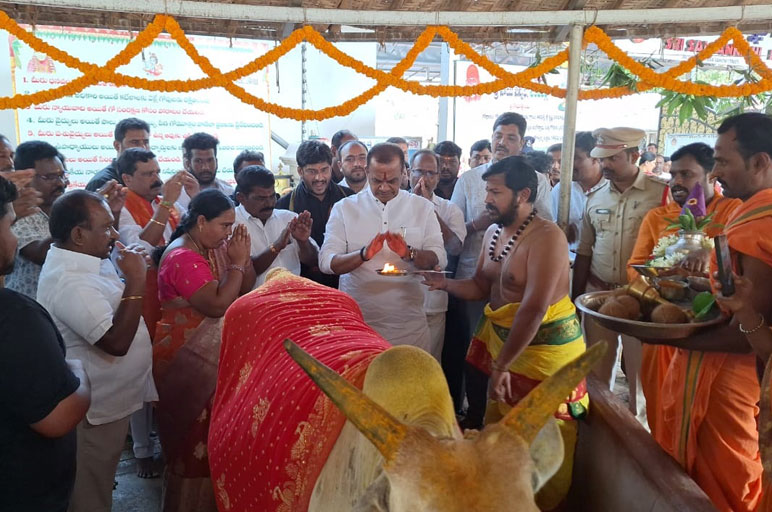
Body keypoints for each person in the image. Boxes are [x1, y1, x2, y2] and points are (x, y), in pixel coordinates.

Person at [422, 156, 587, 510]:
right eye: (487, 190)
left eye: (495, 192)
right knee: (503, 435)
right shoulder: (494, 233)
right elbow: (482, 286)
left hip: (543, 354)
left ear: (523, 194)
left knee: (544, 439)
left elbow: (533, 308)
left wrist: (501, 366)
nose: (487, 199)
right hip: (505, 345)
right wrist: (444, 284)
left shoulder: (548, 237)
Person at [636, 113, 772, 512]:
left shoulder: (757, 223)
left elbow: (744, 331)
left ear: (760, 162)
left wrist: (666, 336)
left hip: (728, 376)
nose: (718, 173)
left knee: (725, 481)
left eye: (724, 162)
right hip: (737, 370)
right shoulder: (749, 215)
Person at [37, 190, 156, 512]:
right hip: (94, 412)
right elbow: (116, 342)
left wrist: (127, 271)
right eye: (106, 227)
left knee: (99, 482)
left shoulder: (86, 259)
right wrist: (136, 280)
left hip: (109, 402)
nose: (114, 234)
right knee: (90, 494)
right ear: (78, 235)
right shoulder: (69, 280)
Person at [450, 112, 553, 428]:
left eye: (511, 137)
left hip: (521, 284)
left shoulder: (540, 187)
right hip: (476, 275)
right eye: (498, 135)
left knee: (516, 353)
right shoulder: (469, 179)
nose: (502, 142)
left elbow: (546, 224)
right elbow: (454, 236)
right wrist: (477, 224)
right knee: (473, 351)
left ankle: (510, 416)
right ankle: (474, 411)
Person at [153, 189, 254, 512]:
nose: (228, 234)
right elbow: (216, 305)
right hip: (187, 358)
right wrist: (237, 263)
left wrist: (239, 261)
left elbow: (244, 288)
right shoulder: (183, 257)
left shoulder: (201, 248)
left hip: (202, 356)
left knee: (208, 442)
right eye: (225, 226)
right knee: (191, 443)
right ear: (200, 221)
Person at [0, 176, 91, 512]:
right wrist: (78, 371)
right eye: (10, 226)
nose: (13, 237)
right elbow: (58, 417)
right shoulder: (13, 316)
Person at [571, 127, 667, 424]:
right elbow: (585, 250)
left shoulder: (661, 193)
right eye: (603, 159)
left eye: (613, 158)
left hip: (643, 299)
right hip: (600, 294)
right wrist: (576, 299)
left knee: (640, 378)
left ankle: (640, 438)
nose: (606, 165)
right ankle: (598, 433)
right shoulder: (595, 196)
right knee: (597, 373)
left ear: (635, 155)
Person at [116, 147, 197, 478]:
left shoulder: (170, 202)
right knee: (139, 372)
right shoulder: (121, 208)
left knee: (166, 373)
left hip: (172, 302)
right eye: (147, 174)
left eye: (157, 171)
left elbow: (186, 236)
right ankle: (142, 451)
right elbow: (141, 247)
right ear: (126, 178)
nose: (156, 178)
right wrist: (167, 203)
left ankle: (166, 443)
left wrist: (191, 198)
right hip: (139, 299)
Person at [319, 142, 446, 350]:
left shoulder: (422, 207)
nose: (384, 187)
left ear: (404, 172)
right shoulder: (345, 209)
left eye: (393, 181)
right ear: (367, 171)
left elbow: (439, 257)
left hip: (409, 328)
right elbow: (326, 262)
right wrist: (362, 255)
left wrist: (409, 253)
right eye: (377, 180)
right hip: (358, 326)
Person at [410, 149, 465, 359]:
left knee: (430, 363)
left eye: (431, 173)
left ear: (438, 176)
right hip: (398, 300)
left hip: (432, 302)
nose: (424, 178)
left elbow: (455, 248)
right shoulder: (394, 206)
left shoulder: (450, 210)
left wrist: (427, 208)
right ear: (409, 172)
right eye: (419, 172)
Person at [276, 140, 353, 288]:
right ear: (300, 171)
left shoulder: (349, 199)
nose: (319, 178)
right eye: (312, 171)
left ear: (332, 167)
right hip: (303, 284)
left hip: (344, 281)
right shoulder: (285, 205)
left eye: (324, 170)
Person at [234, 166, 318, 286]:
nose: (269, 203)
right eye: (261, 198)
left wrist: (303, 242)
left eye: (272, 196)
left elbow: (313, 261)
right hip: (255, 299)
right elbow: (244, 272)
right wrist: (276, 246)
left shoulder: (288, 218)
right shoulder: (231, 224)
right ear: (241, 198)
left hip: (293, 294)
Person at [5, 141, 65, 298]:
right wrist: (78, 221)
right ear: (26, 177)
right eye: (50, 177)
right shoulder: (16, 211)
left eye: (61, 175)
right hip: (28, 305)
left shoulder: (63, 207)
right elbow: (40, 254)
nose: (60, 183)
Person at [550, 132, 606, 263]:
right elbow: (549, 226)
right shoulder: (561, 190)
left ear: (596, 158)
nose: (568, 164)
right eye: (567, 158)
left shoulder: (611, 190)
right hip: (567, 264)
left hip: (600, 268)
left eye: (575, 158)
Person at [86, 117, 151, 191]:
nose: (143, 147)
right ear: (117, 145)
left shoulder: (151, 178)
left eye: (146, 142)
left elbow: (160, 202)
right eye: (135, 142)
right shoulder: (102, 182)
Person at [177, 132, 233, 209]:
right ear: (188, 164)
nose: (205, 167)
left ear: (216, 161)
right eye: (199, 161)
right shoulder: (177, 196)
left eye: (210, 160)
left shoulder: (228, 192)